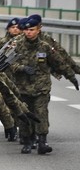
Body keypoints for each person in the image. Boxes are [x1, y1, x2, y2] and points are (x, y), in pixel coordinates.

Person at [11, 15, 78, 154]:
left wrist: (72, 77)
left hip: (41, 87)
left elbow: (59, 64)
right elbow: (9, 64)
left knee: (41, 113)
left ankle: (42, 141)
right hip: (22, 87)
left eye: (32, 29)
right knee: (25, 114)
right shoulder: (16, 45)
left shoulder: (45, 47)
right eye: (27, 30)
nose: (29, 32)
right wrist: (22, 68)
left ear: (38, 30)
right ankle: (27, 141)